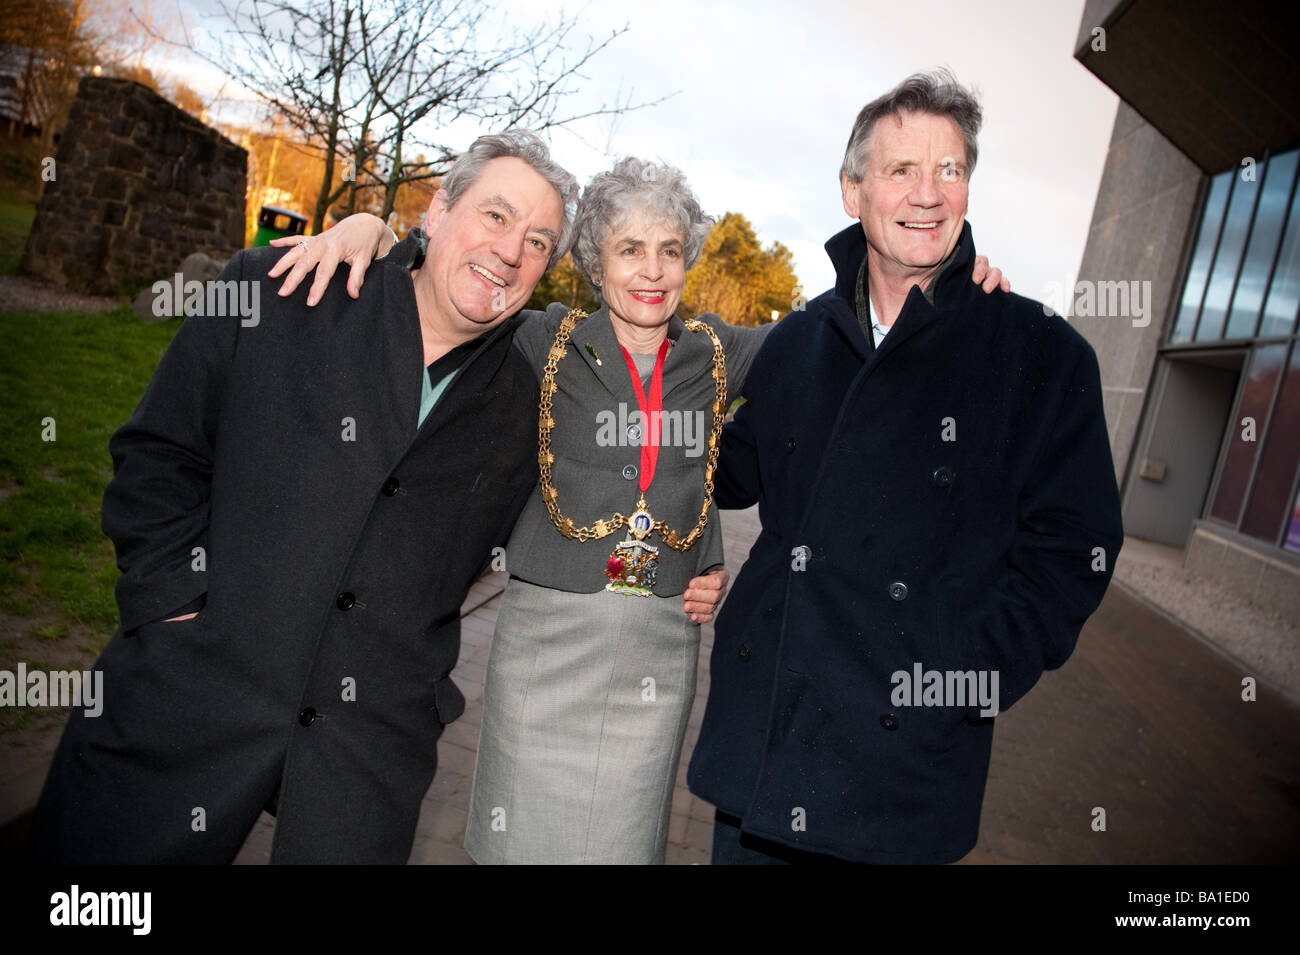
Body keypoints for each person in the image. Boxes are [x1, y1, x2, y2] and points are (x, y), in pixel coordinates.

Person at [281, 154, 1008, 863]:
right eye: (629, 249)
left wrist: (945, 290)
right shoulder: (544, 337)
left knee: (623, 842)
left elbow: (844, 334)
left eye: (669, 249)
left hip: (659, 648)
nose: (652, 270)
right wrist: (371, 230)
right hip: (547, 640)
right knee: (519, 841)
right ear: (596, 262)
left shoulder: (718, 353)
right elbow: (450, 282)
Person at [30, 131, 662, 864]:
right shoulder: (280, 289)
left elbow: (625, 474)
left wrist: (686, 565)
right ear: (437, 211)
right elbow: (157, 455)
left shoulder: (536, 394)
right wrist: (171, 601)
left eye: (538, 239)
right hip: (184, 695)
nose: (511, 249)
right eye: (495, 216)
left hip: (366, 751)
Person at [686, 70, 1125, 865]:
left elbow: (1073, 554)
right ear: (853, 191)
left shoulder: (1040, 355)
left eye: (949, 170)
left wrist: (958, 685)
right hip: (766, 753)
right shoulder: (796, 342)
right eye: (901, 171)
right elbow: (722, 474)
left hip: (902, 778)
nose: (928, 193)